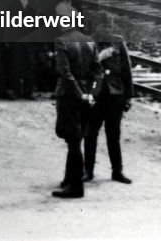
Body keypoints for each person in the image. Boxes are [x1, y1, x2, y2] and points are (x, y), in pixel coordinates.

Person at [51, 21, 103, 198]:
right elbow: (98, 72)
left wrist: (79, 94)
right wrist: (91, 94)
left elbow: (65, 73)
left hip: (69, 96)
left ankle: (75, 186)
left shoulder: (61, 41)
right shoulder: (89, 41)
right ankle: (69, 179)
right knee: (77, 137)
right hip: (86, 96)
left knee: (72, 140)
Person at [84, 12, 134, 184]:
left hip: (115, 95)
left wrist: (128, 96)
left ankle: (117, 171)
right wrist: (100, 57)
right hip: (96, 95)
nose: (107, 29)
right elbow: (83, 68)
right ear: (96, 26)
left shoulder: (118, 41)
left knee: (114, 135)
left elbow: (127, 70)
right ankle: (88, 171)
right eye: (103, 25)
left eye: (110, 26)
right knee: (91, 134)